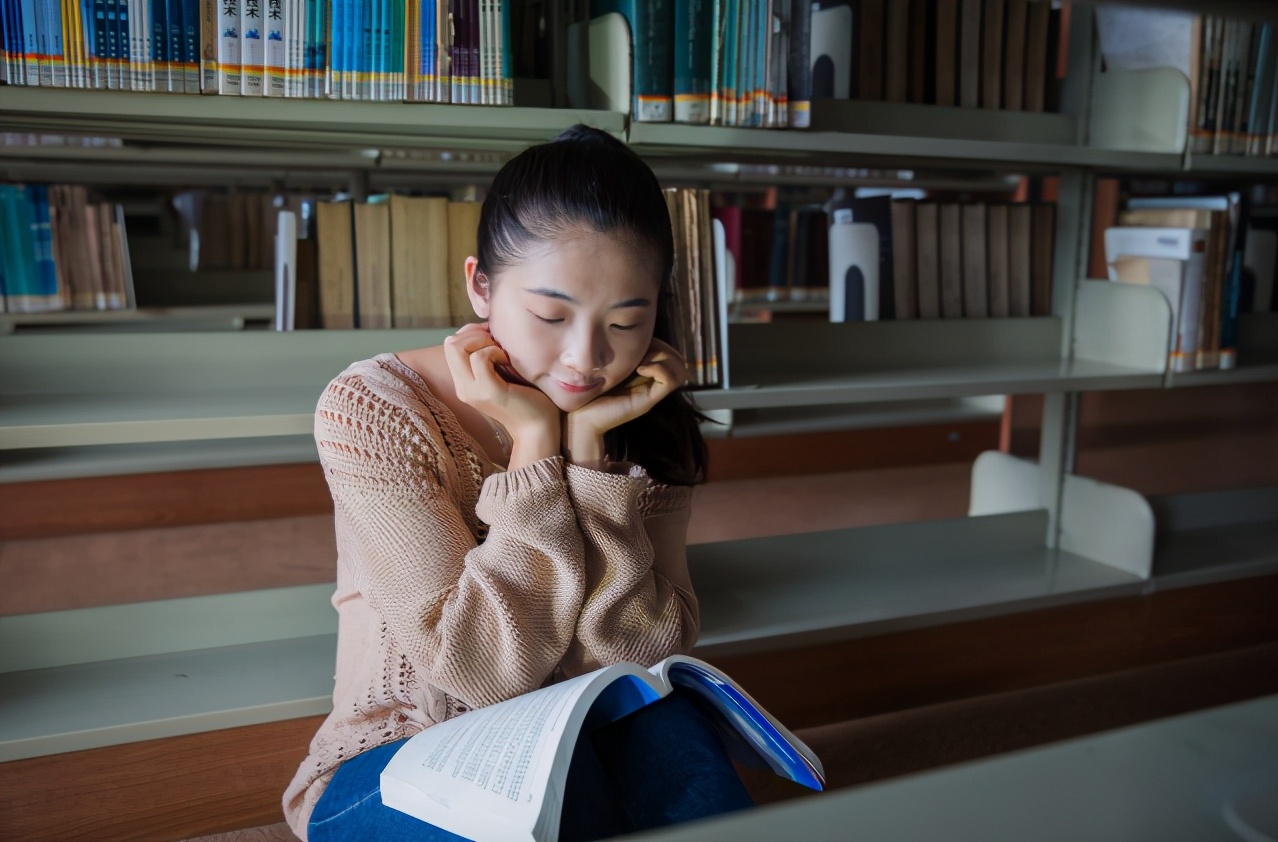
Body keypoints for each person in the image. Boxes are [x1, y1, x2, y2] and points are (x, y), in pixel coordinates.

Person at [283, 125, 753, 842]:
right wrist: (536, 449)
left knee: (699, 789)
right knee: (565, 815)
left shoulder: (642, 411)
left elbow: (638, 652)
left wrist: (590, 455)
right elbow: (476, 671)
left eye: (627, 321)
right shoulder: (375, 409)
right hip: (401, 751)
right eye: (550, 316)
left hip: (577, 720)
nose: (588, 359)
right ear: (480, 285)